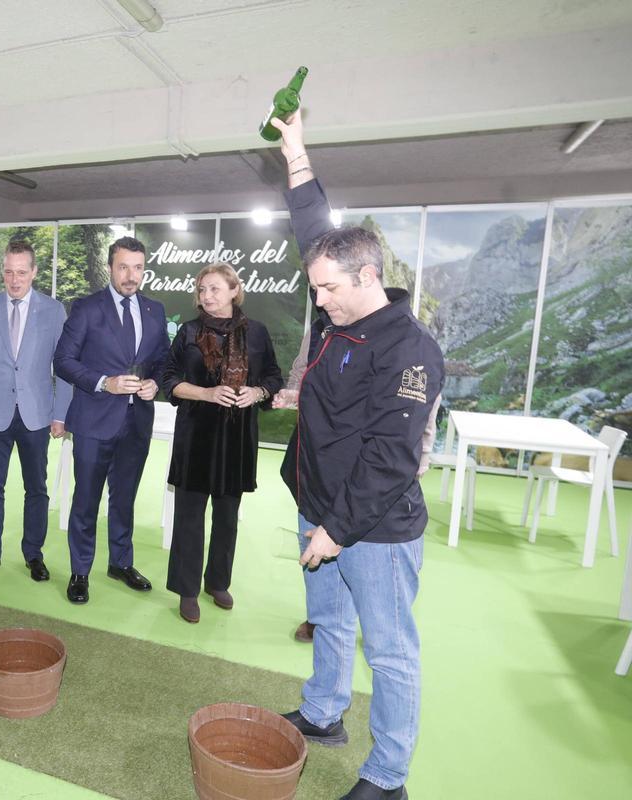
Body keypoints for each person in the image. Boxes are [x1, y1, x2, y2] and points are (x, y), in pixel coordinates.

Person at [273, 111, 445, 800]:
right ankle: (323, 713)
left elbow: (390, 459)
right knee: (329, 620)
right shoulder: (338, 303)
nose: (319, 301)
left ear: (368, 276)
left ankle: (388, 777)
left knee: (391, 652)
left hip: (374, 528)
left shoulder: (409, 350)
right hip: (318, 506)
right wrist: (295, 151)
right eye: (315, 288)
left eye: (328, 289)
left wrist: (335, 531)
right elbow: (313, 226)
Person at [275, 332, 443, 644]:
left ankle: (371, 623)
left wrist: (422, 456)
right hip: (319, 480)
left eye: (331, 299)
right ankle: (325, 620)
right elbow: (303, 372)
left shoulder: (408, 342)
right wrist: (295, 393)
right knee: (327, 606)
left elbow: (422, 412)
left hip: (376, 486)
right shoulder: (323, 330)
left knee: (387, 636)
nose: (324, 305)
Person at [161, 263, 282, 623]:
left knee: (227, 517)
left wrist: (257, 392)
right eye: (202, 289)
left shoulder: (257, 333)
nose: (206, 296)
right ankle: (186, 590)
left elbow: (273, 376)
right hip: (195, 436)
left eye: (214, 288)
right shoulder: (188, 331)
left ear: (234, 291)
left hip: (237, 438)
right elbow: (169, 379)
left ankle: (217, 582)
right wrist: (207, 393)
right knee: (189, 517)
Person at [53, 236, 170, 604]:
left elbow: (164, 361)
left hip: (137, 423)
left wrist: (155, 383)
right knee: (86, 500)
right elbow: (63, 361)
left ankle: (120, 563)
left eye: (138, 268)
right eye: (123, 267)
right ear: (110, 268)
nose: (130, 275)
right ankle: (80, 571)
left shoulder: (155, 310)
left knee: (125, 498)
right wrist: (105, 382)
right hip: (93, 421)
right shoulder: (86, 308)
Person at [0, 239, 71, 582]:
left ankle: (34, 554)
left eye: (22, 272)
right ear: (2, 272)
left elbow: (64, 367)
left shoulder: (54, 311)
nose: (15, 279)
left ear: (34, 272)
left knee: (37, 488)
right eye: (9, 272)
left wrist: (60, 414)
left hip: (37, 415)